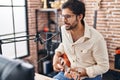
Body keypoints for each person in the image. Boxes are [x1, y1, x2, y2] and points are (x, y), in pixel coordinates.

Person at [52, 0, 109, 80]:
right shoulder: (64, 29)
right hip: (69, 73)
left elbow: (104, 66)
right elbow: (63, 45)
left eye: (68, 17)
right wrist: (56, 56)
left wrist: (84, 71)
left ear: (80, 17)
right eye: (63, 16)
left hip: (89, 76)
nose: (64, 21)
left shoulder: (97, 38)